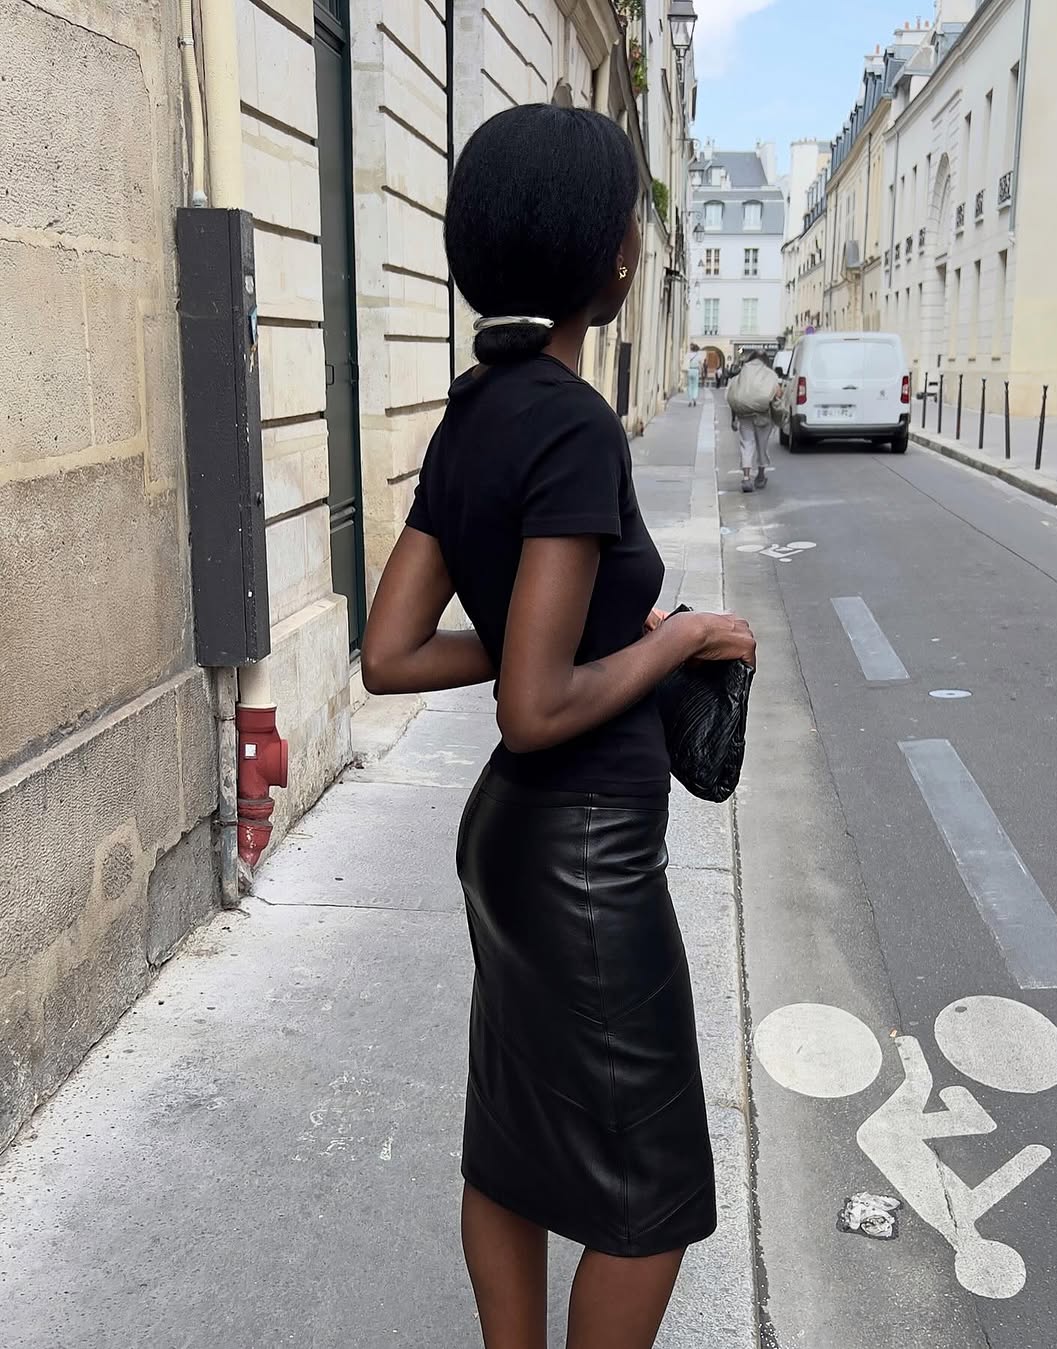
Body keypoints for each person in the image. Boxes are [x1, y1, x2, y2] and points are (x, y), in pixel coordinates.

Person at [360, 104, 756, 1349]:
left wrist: (564, 636)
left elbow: (389, 653)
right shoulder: (577, 423)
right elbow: (534, 710)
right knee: (651, 1195)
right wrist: (680, 638)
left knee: (515, 1144)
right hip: (585, 855)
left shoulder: (473, 410)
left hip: (511, 846)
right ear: (614, 260)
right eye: (631, 220)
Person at [727, 350, 781, 493]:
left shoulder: (742, 373)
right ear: (765, 360)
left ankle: (746, 478)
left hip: (744, 415)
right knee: (762, 446)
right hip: (763, 415)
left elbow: (734, 394)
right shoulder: (770, 374)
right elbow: (777, 395)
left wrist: (733, 418)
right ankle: (761, 476)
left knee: (746, 445)